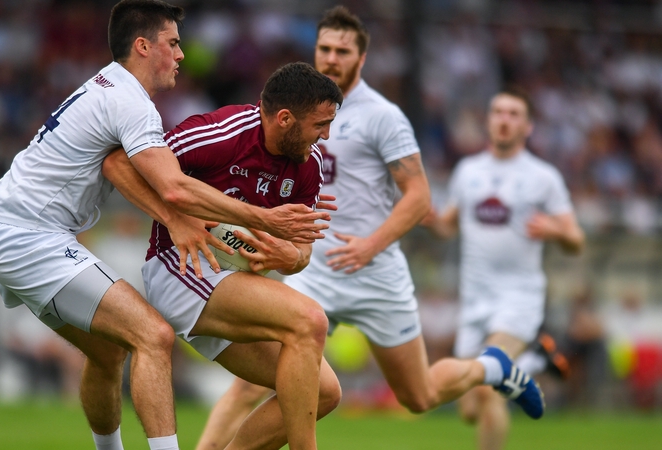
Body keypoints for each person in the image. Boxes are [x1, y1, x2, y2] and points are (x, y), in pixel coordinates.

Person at [0, 2, 333, 450]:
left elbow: (128, 172)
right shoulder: (133, 104)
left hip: (12, 228)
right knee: (153, 335)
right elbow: (169, 185)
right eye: (174, 43)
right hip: (27, 233)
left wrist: (289, 253)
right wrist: (252, 219)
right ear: (143, 46)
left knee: (108, 351)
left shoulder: (111, 90)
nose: (182, 54)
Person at [196, 7, 545, 450]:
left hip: (376, 273)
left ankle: (492, 368)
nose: (331, 59)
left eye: (342, 51)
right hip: (316, 267)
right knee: (254, 382)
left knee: (419, 396)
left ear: (362, 58)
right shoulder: (296, 111)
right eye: (324, 48)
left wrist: (369, 245)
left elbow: (419, 196)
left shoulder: (383, 117)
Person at [104, 61, 344, 450]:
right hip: (178, 269)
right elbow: (119, 163)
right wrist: (174, 218)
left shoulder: (308, 163)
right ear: (285, 118)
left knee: (324, 393)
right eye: (320, 125)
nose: (326, 136)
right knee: (310, 321)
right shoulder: (219, 134)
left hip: (232, 284)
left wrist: (291, 256)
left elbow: (302, 252)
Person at [422, 87, 585, 449]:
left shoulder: (543, 177)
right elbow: (450, 224)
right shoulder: (468, 171)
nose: (504, 120)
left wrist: (556, 229)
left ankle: (517, 359)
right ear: (488, 121)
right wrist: (429, 219)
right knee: (467, 407)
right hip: (475, 298)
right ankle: (532, 357)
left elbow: (576, 240)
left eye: (514, 114)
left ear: (527, 127)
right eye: (498, 112)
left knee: (490, 390)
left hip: (518, 296)